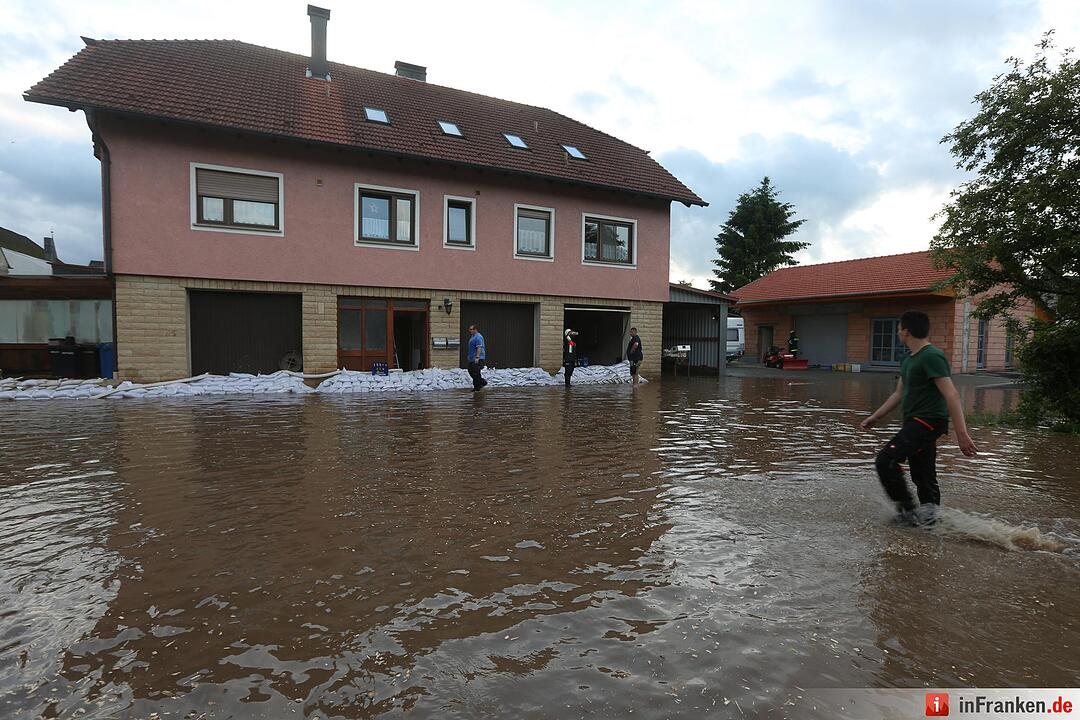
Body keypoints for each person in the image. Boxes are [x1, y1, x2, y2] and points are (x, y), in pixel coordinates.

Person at [861, 310, 978, 525]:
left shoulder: (931, 356)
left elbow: (951, 393)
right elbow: (898, 393)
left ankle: (908, 513)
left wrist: (961, 434)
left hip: (929, 421)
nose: (898, 333)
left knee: (885, 461)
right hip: (916, 422)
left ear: (905, 331)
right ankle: (931, 522)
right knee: (923, 476)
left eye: (898, 329)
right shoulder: (908, 359)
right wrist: (875, 417)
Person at [466, 324, 487, 391]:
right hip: (472, 358)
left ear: (475, 330)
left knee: (475, 373)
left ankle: (477, 387)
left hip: (477, 358)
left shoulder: (478, 337)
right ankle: (482, 382)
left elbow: (479, 347)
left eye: (471, 329)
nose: (470, 331)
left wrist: (477, 357)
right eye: (469, 329)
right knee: (471, 371)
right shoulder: (473, 336)